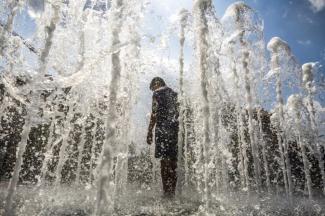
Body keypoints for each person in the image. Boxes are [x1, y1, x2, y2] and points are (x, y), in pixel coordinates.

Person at [147, 77, 179, 198]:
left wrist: (150, 131)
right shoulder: (174, 94)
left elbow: (154, 113)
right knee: (173, 162)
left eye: (152, 88)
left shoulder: (157, 93)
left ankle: (166, 193)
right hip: (174, 130)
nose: (153, 90)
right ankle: (172, 193)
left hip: (162, 130)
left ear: (156, 83)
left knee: (164, 162)